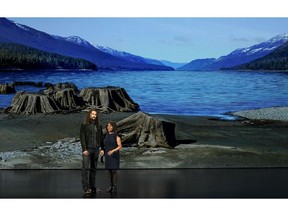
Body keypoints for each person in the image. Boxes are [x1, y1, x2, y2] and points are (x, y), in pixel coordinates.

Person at [80, 108, 103, 195]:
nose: (94, 115)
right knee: (85, 169)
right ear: (89, 114)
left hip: (96, 149)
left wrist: (102, 148)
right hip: (88, 149)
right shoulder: (84, 124)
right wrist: (84, 149)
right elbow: (82, 137)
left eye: (95, 114)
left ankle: (92, 186)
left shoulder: (99, 125)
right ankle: (85, 188)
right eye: (92, 114)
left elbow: (101, 137)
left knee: (94, 169)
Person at [100, 121, 122, 193]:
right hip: (107, 155)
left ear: (113, 127)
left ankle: (114, 187)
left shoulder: (116, 135)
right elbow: (104, 145)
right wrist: (102, 150)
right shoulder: (106, 135)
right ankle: (110, 186)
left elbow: (120, 146)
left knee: (114, 171)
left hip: (114, 155)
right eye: (108, 126)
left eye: (110, 126)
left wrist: (113, 151)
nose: (109, 127)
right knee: (109, 171)